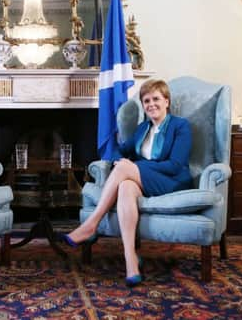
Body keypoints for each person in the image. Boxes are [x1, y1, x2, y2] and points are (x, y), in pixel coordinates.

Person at [63, 79, 192, 287]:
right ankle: (130, 259)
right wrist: (119, 159)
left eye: (156, 99)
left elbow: (176, 165)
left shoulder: (180, 126)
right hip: (146, 180)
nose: (151, 104)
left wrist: (134, 167)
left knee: (124, 168)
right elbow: (120, 150)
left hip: (172, 181)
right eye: (146, 100)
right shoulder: (143, 129)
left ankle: (92, 224)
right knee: (125, 185)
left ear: (167, 101)